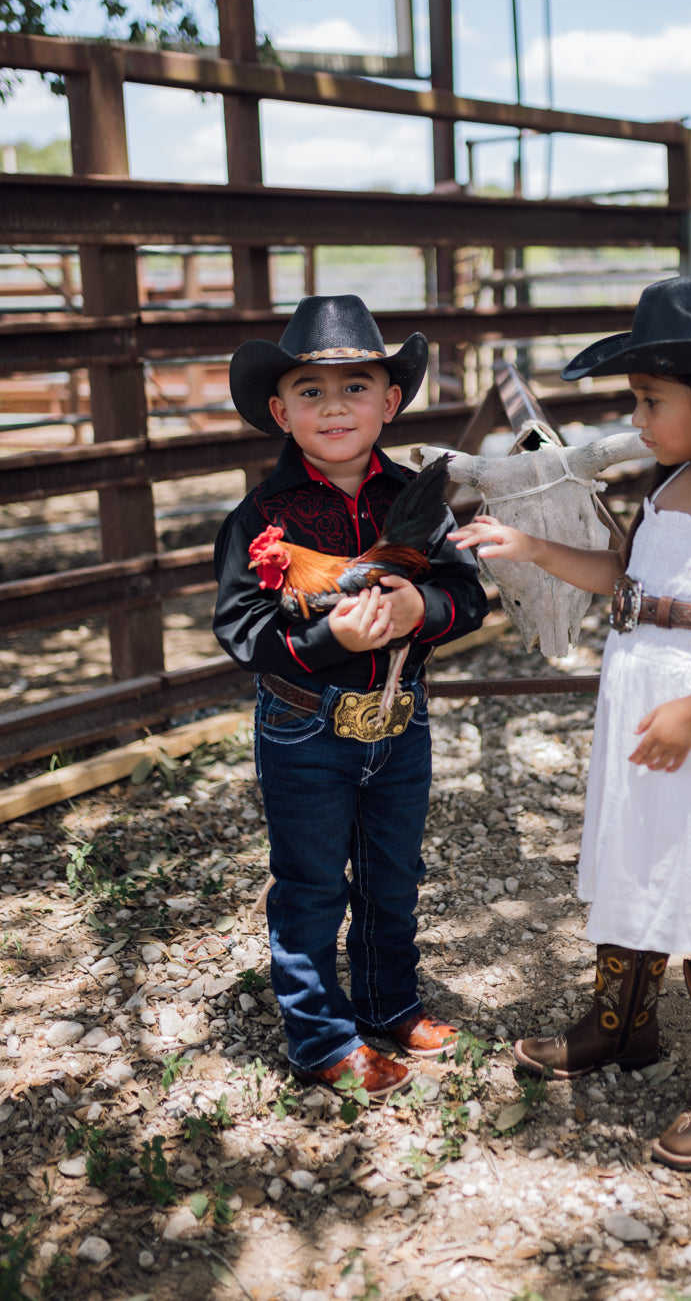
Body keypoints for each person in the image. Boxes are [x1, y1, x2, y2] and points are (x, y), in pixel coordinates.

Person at [451, 276, 691, 1171]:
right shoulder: (668, 489)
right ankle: (622, 1026)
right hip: (643, 714)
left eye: (650, 400)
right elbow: (625, 580)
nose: (636, 416)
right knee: (639, 855)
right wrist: (532, 549)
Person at [214, 294, 489, 1097]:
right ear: (279, 410)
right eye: (311, 391)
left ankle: (387, 1000)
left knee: (393, 872)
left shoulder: (419, 500)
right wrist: (332, 639)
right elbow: (240, 628)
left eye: (355, 387)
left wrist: (421, 609)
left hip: (403, 721)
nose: (334, 407)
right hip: (304, 727)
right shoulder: (260, 516)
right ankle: (320, 1036)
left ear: (390, 401)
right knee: (309, 883)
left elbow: (468, 596)